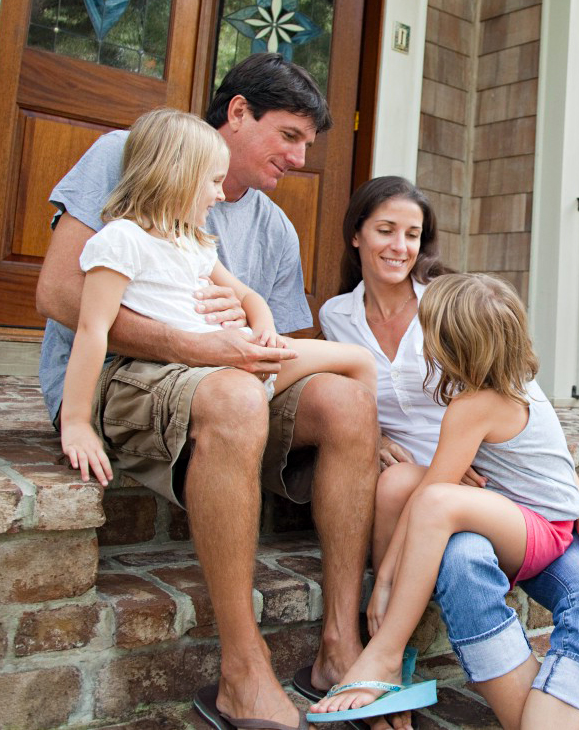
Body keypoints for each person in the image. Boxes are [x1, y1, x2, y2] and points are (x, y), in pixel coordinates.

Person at [35, 54, 378, 730]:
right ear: (239, 112)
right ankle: (242, 673)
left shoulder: (272, 226)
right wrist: (195, 347)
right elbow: (57, 293)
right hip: (124, 376)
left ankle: (340, 647)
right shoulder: (133, 152)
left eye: (310, 144)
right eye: (290, 135)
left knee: (346, 399)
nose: (302, 158)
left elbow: (274, 340)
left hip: (228, 381)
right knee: (234, 396)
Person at [317, 177, 579, 729]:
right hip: (467, 491)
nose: (400, 244)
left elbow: (517, 463)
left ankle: (386, 648)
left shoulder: (460, 342)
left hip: (515, 508)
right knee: (415, 503)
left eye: (412, 233)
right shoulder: (340, 316)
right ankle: (398, 655)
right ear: (357, 236)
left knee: (438, 506)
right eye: (386, 229)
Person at [308, 273, 579, 722]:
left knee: (436, 501)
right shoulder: (498, 384)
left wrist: (382, 585)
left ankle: (385, 649)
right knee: (399, 482)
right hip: (508, 508)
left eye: (427, 331)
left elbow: (434, 496)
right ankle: (395, 638)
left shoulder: (476, 405)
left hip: (541, 530)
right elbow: (419, 489)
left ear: (450, 344)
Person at [59, 107, 376, 489]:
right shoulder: (121, 241)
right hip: (198, 374)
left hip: (244, 356)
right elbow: (92, 330)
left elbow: (248, 296)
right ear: (177, 177)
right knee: (248, 395)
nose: (219, 194)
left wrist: (265, 330)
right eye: (212, 182)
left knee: (359, 359)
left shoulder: (194, 242)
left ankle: (370, 455)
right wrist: (76, 422)